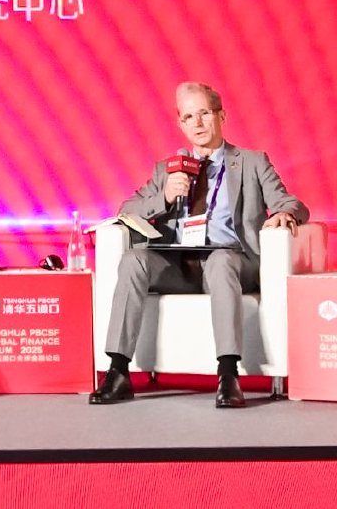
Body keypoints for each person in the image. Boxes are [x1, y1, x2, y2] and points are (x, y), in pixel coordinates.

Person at [90, 81, 308, 410]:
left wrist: (284, 214)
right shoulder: (166, 170)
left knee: (221, 260)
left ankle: (228, 375)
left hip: (232, 261)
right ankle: (118, 372)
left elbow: (291, 202)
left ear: (221, 116)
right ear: (180, 124)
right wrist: (164, 197)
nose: (198, 123)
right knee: (134, 259)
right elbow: (128, 210)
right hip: (179, 265)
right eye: (189, 117)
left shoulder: (252, 162)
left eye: (204, 113)